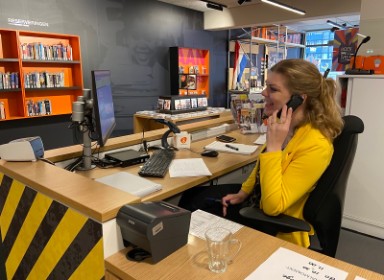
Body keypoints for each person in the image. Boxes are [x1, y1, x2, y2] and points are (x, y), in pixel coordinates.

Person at [178, 59, 344, 248]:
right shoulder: (286, 125)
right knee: (191, 195)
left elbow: (274, 207)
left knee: (193, 210)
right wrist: (243, 192)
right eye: (266, 86)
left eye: (273, 89)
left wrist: (273, 147)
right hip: (255, 199)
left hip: (273, 223)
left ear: (299, 98)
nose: (264, 93)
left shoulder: (316, 145)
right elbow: (260, 169)